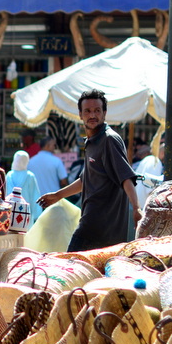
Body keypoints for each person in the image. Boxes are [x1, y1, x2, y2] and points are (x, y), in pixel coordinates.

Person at [38, 89, 141, 252]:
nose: (92, 115)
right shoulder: (92, 141)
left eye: (97, 111)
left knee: (71, 266)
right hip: (93, 225)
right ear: (80, 114)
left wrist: (136, 208)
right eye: (87, 111)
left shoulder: (109, 139)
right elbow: (85, 179)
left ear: (104, 113)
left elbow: (126, 177)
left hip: (100, 227)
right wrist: (58, 195)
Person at [5, 150, 42, 229]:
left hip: (9, 210)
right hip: (26, 212)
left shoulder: (9, 175)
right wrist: (37, 214)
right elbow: (34, 195)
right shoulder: (30, 176)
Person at [134, 143, 164, 209]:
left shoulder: (147, 159)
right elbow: (151, 188)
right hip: (143, 205)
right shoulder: (156, 162)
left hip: (136, 201)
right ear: (163, 153)